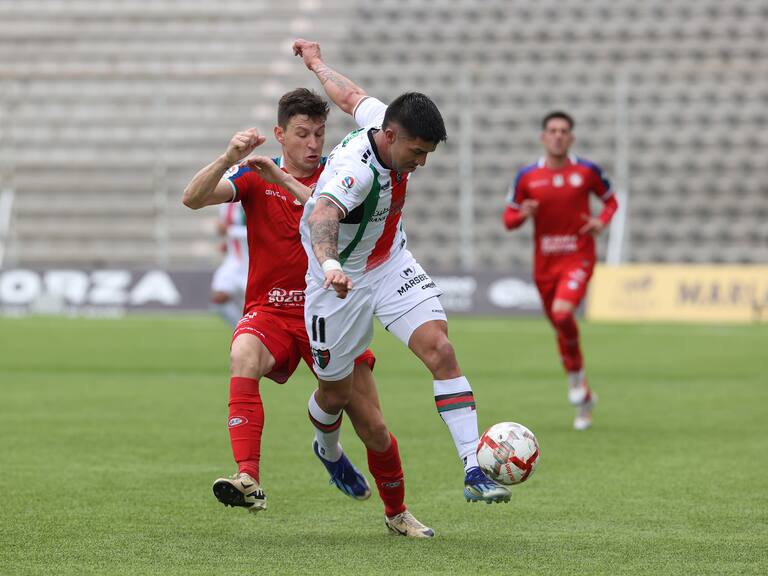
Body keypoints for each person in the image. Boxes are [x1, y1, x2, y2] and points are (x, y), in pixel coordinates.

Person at [182, 88, 434, 537]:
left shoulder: (342, 173)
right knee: (243, 355)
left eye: (319, 133)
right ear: (280, 134)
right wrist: (227, 158)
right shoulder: (255, 177)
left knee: (374, 427)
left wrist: (285, 180)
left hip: (334, 311)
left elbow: (327, 207)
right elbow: (193, 198)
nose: (313, 143)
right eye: (302, 134)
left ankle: (396, 512)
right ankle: (248, 478)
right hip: (272, 312)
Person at [291, 38, 511, 504]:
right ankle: (328, 450)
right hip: (338, 283)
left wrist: (316, 64)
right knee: (334, 395)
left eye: (428, 152)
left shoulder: (382, 120)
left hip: (390, 264)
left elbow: (349, 96)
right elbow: (322, 214)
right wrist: (330, 264)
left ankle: (474, 468)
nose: (422, 163)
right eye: (417, 151)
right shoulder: (357, 171)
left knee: (441, 350)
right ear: (391, 137)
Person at [503, 111, 618, 430]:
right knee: (560, 326)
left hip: (578, 257)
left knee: (564, 314)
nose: (557, 135)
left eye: (563, 131)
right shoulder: (527, 177)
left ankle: (578, 387)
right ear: (543, 137)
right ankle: (582, 394)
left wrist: (601, 222)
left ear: (571, 138)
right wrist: (523, 213)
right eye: (552, 130)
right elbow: (508, 220)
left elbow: (611, 202)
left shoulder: (587, 171)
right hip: (545, 266)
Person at [210, 201, 248, 327]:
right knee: (218, 299)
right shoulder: (226, 202)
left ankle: (251, 334)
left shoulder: (254, 197)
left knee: (252, 307)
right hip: (234, 260)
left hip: (253, 263)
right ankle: (241, 329)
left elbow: (262, 230)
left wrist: (230, 231)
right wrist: (228, 243)